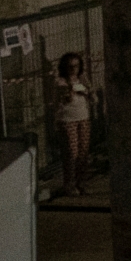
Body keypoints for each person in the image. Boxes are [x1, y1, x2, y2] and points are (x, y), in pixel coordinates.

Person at [53, 52, 93, 195]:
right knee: (72, 152)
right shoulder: (61, 81)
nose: (73, 69)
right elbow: (66, 98)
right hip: (67, 119)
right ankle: (69, 184)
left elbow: (92, 94)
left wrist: (88, 91)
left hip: (83, 117)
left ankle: (81, 182)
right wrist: (71, 87)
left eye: (76, 66)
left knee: (83, 152)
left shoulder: (82, 79)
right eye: (70, 66)